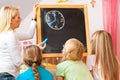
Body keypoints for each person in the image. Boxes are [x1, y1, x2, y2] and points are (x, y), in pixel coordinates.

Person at [0, 5, 37, 79]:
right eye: (18, 17)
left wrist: (34, 18)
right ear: (10, 20)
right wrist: (34, 52)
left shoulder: (6, 33)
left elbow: (29, 35)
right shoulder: (11, 35)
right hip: (8, 75)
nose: (20, 19)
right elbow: (18, 62)